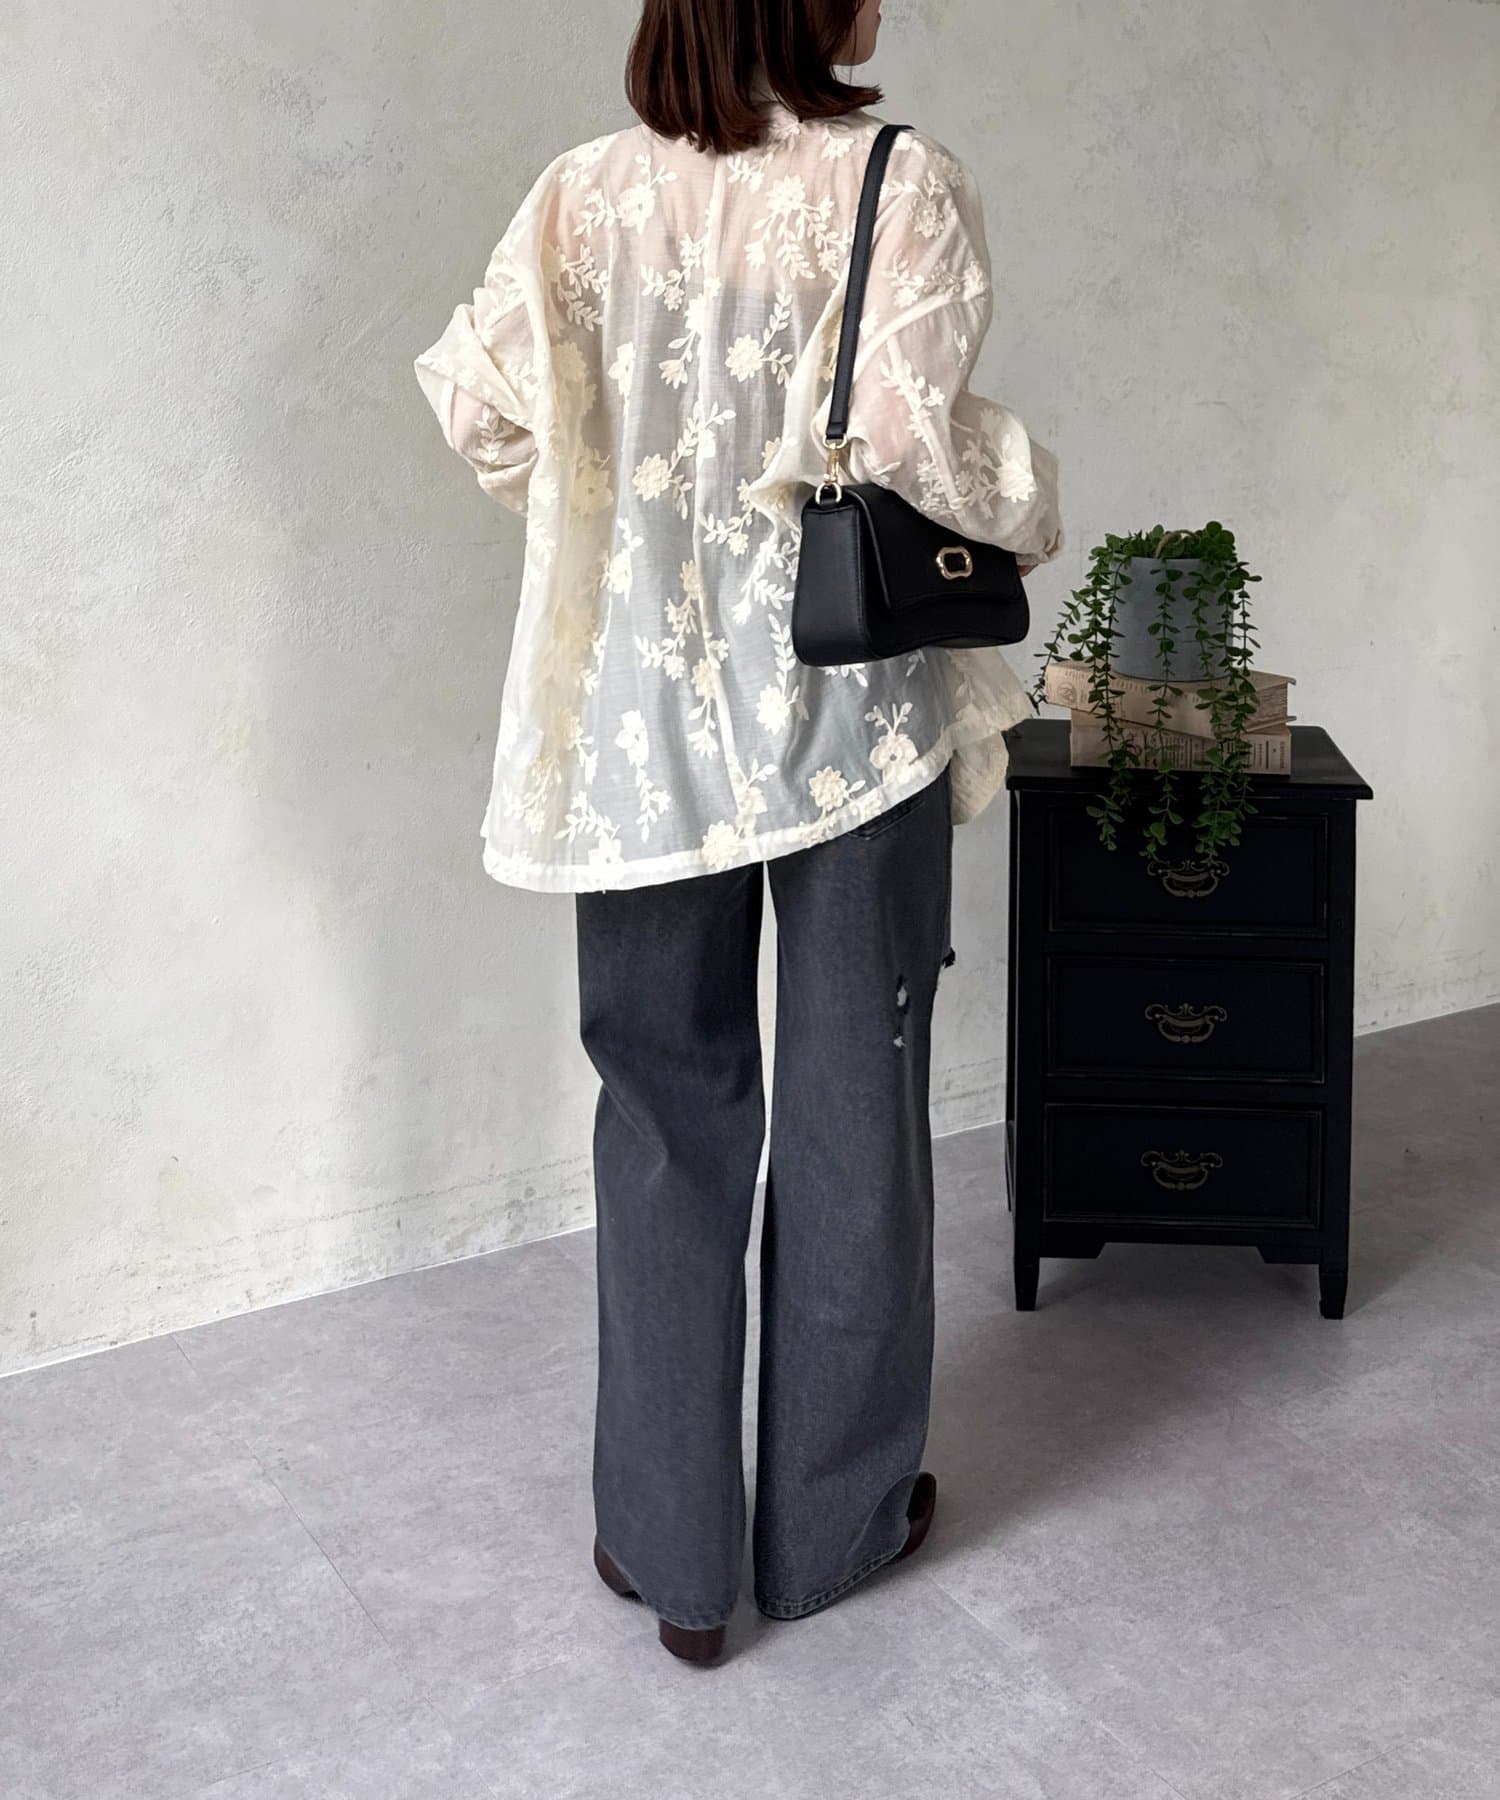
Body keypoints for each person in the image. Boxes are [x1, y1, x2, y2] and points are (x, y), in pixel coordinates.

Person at [413, 0, 1063, 1665]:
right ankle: (833, 1533)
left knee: (662, 1113)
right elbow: (910, 439)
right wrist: (1025, 492)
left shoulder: (580, 194)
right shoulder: (900, 179)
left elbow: (481, 409)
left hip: (635, 729)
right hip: (850, 723)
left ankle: (672, 1555)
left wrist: (627, 519)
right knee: (856, 1112)